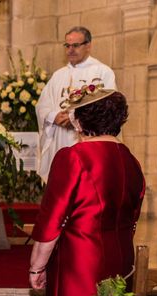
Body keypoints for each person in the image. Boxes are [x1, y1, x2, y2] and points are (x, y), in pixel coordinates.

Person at [29, 87, 145, 296]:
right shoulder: (131, 160)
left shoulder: (73, 157)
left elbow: (51, 221)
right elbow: (133, 216)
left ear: (79, 122)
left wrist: (37, 266)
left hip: (82, 261)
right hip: (121, 259)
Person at [35, 26, 116, 181]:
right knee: (62, 182)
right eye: (67, 45)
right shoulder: (58, 75)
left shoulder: (102, 72)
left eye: (75, 45)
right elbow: (41, 106)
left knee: (84, 183)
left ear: (88, 45)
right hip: (60, 139)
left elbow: (109, 107)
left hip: (89, 141)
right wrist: (54, 116)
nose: (70, 50)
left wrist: (74, 117)